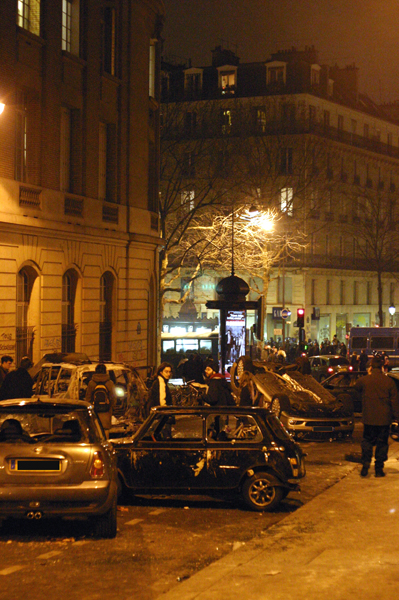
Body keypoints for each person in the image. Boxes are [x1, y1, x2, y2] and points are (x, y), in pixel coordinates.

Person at [354, 356, 399, 477]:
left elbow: (356, 389)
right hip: (384, 419)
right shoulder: (389, 382)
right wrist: (396, 416)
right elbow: (394, 401)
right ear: (383, 367)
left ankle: (365, 465)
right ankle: (379, 469)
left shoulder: (364, 380)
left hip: (369, 418)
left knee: (367, 441)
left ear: (371, 367)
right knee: (382, 443)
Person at [85, 363, 117, 438]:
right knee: (105, 429)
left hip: (95, 410)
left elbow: (88, 398)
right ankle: (105, 446)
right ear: (105, 371)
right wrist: (111, 407)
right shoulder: (110, 383)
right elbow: (113, 398)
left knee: (96, 429)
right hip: (106, 411)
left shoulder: (91, 383)